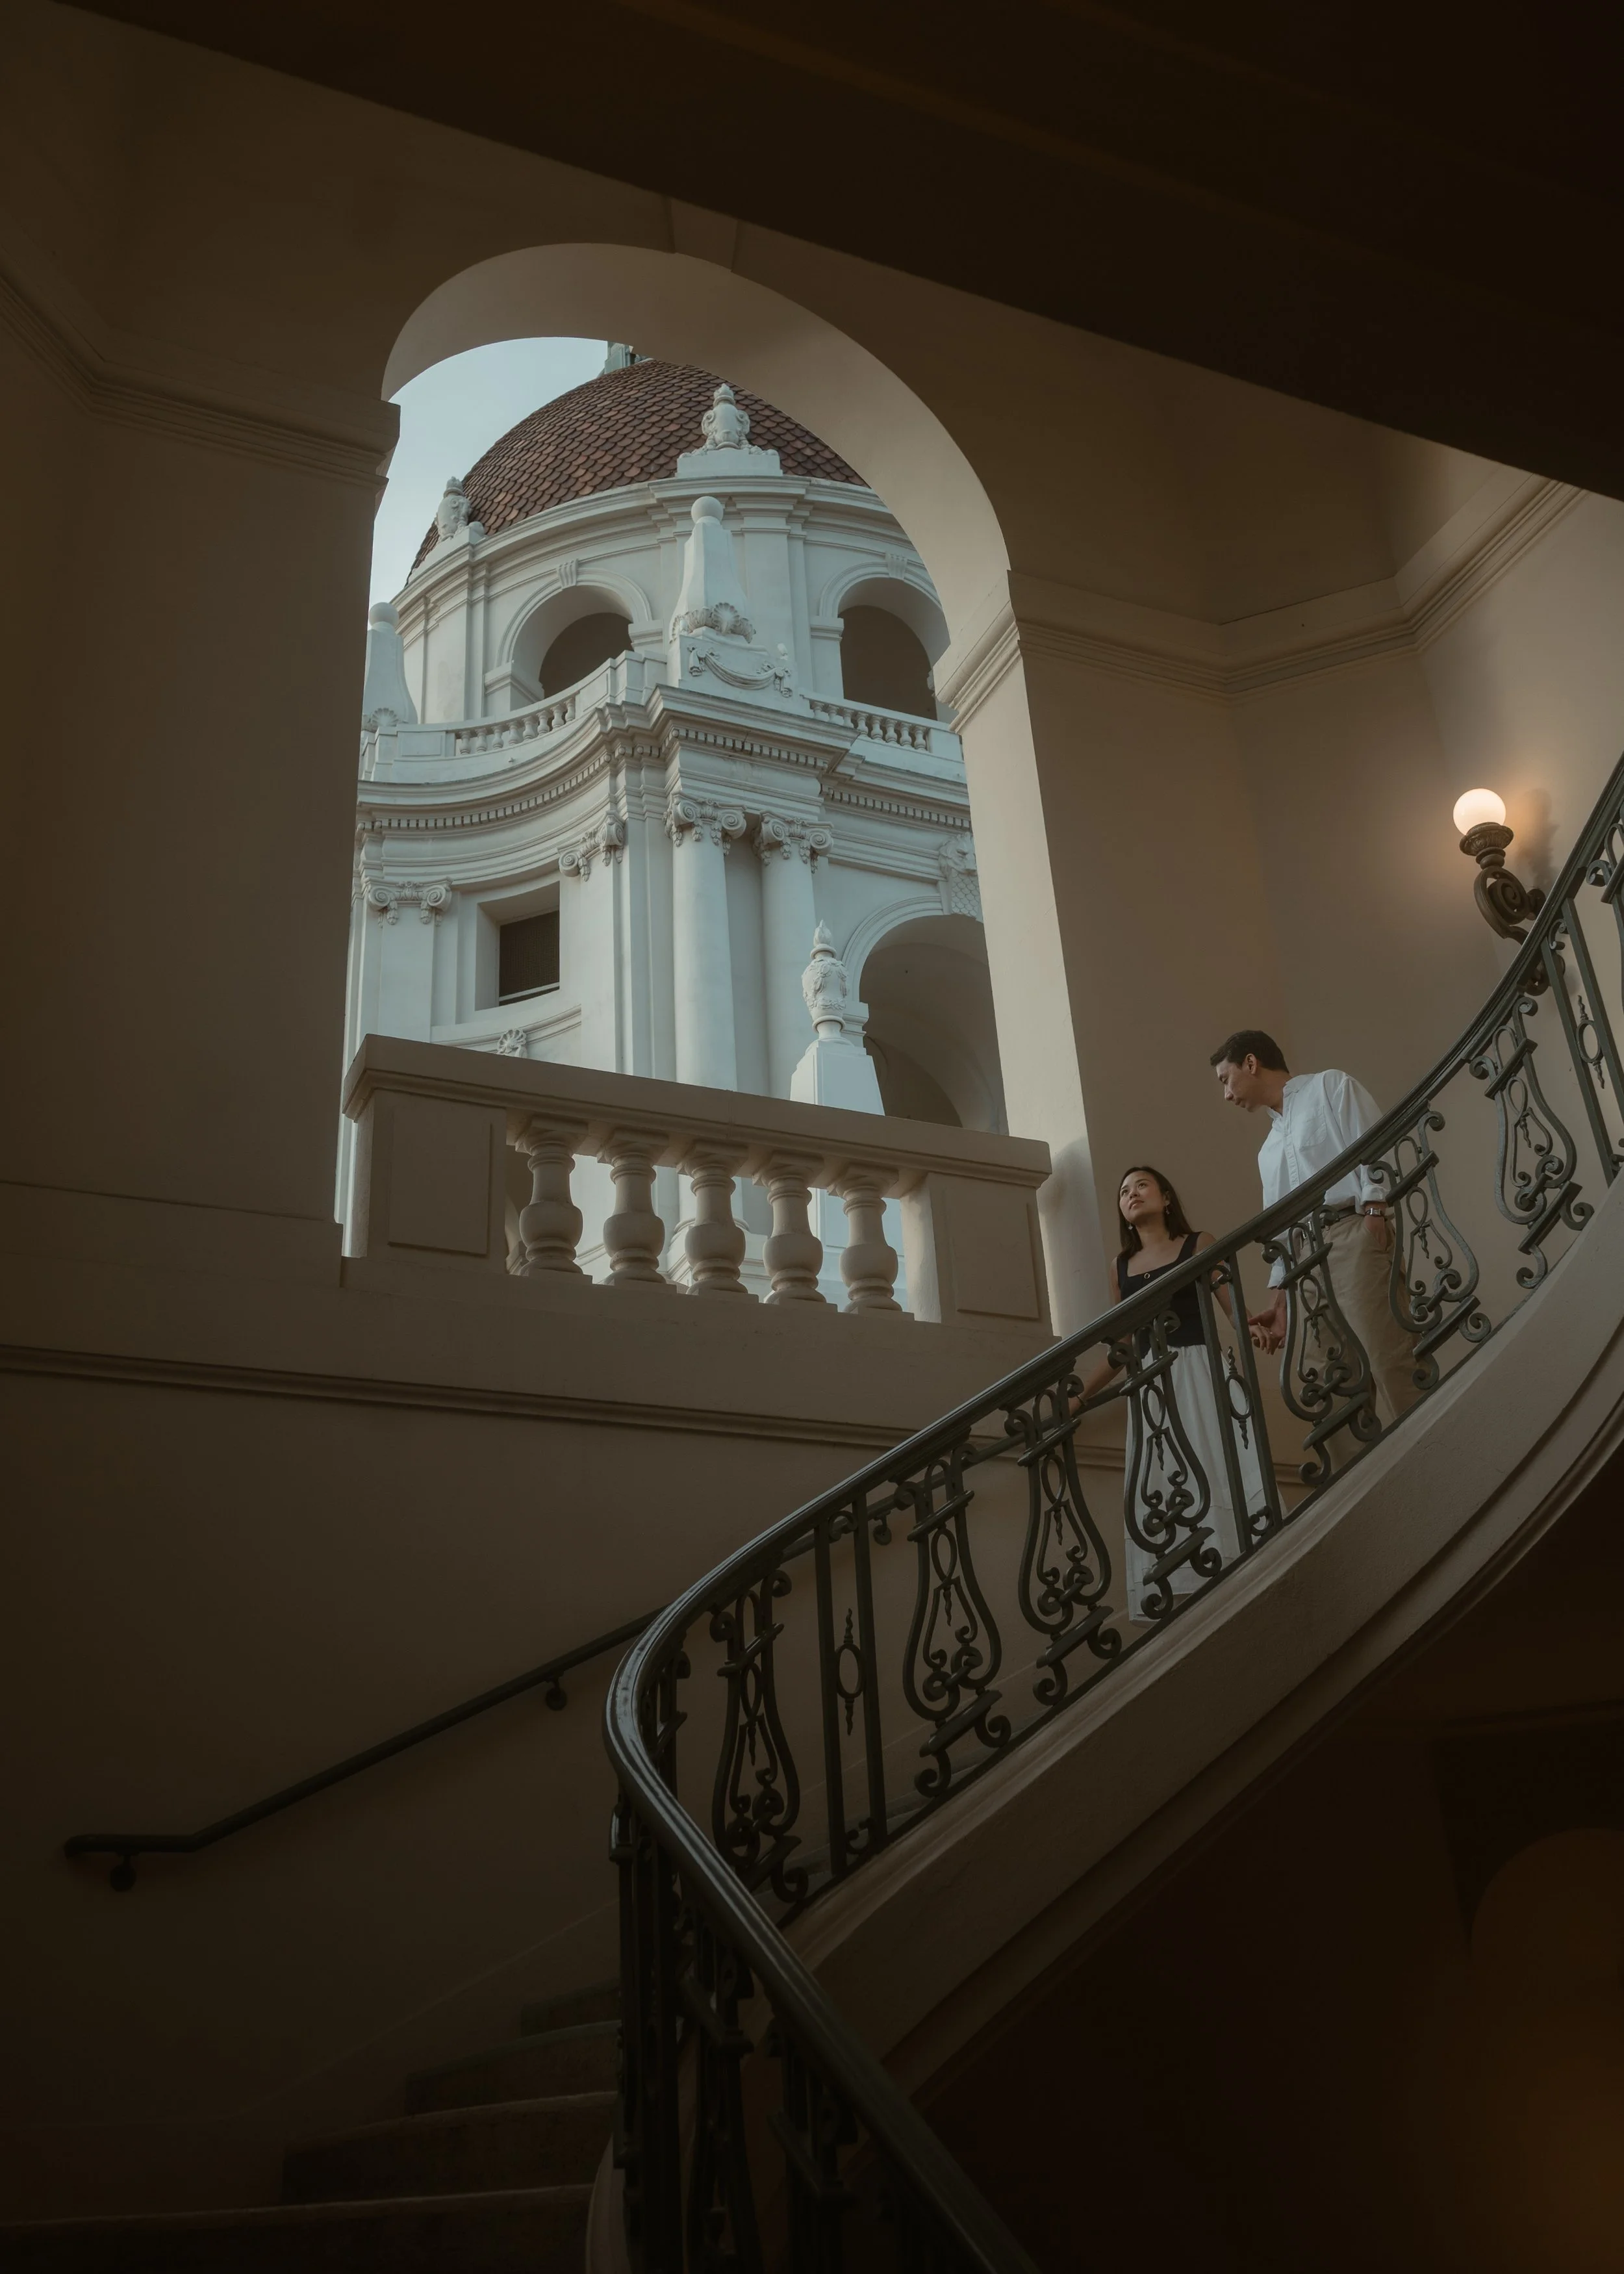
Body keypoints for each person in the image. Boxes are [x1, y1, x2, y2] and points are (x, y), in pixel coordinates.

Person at [1078, 1166, 1267, 1620]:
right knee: (1171, 1483)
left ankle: (1244, 1568)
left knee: (1219, 1464)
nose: (1131, 1194)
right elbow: (1122, 1346)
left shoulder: (1198, 1244)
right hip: (1152, 1389)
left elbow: (1231, 1307)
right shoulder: (1119, 1268)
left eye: (1141, 1185)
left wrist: (1254, 1330)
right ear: (1123, 1212)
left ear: (1166, 1198)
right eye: (1124, 1191)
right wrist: (1077, 1398)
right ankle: (1193, 1585)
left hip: (1201, 1370)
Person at [1210, 1029, 1419, 1432]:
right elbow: (1279, 1225)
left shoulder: (1330, 1086)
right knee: (1330, 1381)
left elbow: (1375, 1142)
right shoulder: (1267, 1150)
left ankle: (1439, 1454)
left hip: (1350, 1237)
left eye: (1225, 1079)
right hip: (1301, 1267)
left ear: (1250, 1064)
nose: (1226, 1094)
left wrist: (1375, 1211)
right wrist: (1282, 1299)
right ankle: (1367, 1486)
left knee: (1388, 1358)